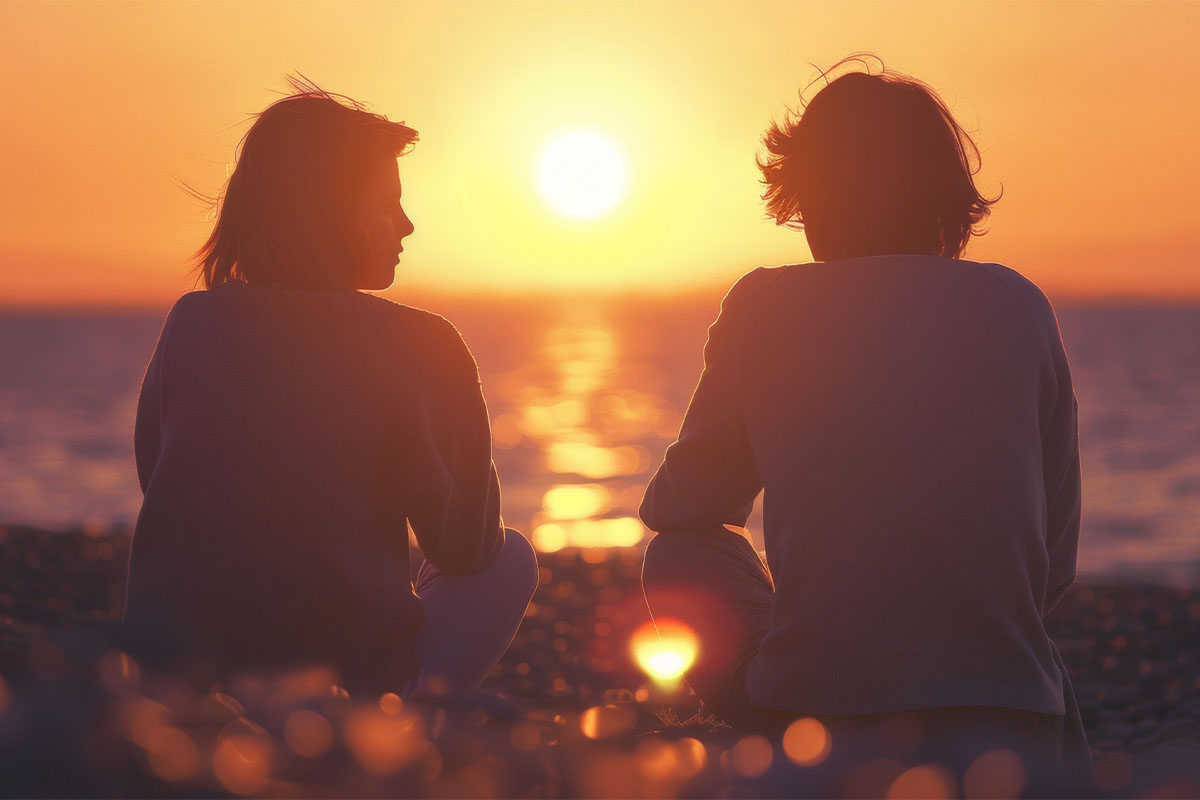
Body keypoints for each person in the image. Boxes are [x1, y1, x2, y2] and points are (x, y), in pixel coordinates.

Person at [639, 60, 1089, 776]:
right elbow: (1052, 557)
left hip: (821, 703)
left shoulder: (766, 307)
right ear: (944, 199)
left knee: (675, 551)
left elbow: (680, 509)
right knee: (1027, 647)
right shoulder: (1017, 304)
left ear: (807, 197)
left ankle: (777, 717)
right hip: (1006, 702)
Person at [122, 80, 537, 696]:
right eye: (387, 204)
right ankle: (399, 730)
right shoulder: (422, 344)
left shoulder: (192, 322)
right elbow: (465, 548)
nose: (408, 224)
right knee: (510, 560)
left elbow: (159, 477)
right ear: (333, 211)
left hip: (169, 679)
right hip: (339, 689)